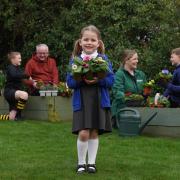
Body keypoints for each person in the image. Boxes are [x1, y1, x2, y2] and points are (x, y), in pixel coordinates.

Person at [66, 25, 114, 173]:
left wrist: (98, 80)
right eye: (86, 39)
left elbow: (111, 81)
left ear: (98, 43)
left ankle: (91, 163)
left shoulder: (103, 59)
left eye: (93, 40)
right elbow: (70, 82)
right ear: (80, 42)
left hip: (99, 100)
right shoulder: (75, 61)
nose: (89, 42)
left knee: (94, 131)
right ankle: (81, 163)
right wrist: (81, 79)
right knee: (83, 131)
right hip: (82, 101)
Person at [111, 49, 147, 126]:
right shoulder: (119, 74)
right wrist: (131, 99)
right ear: (126, 60)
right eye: (134, 59)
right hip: (123, 108)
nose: (137, 61)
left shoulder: (141, 74)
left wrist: (146, 93)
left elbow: (145, 90)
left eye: (137, 59)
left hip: (139, 107)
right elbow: (117, 92)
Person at [2, 52, 30, 120]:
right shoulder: (10, 67)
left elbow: (24, 77)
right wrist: (27, 76)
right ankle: (18, 115)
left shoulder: (18, 69)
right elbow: (14, 75)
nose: (21, 60)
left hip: (15, 92)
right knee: (24, 95)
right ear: (12, 59)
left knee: (11, 117)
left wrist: (34, 83)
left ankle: (16, 116)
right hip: (9, 92)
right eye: (19, 58)